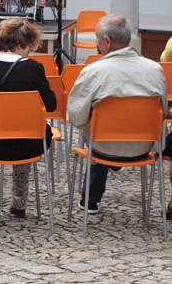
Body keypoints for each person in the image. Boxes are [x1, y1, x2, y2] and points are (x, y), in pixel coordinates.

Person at [68, 14, 168, 214]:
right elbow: (163, 111)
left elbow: (75, 115)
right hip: (144, 146)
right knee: (99, 125)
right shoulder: (155, 70)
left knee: (92, 126)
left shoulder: (93, 71)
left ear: (106, 42)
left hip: (103, 146)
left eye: (97, 39)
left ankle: (90, 198)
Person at [0, 18, 56, 220]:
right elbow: (51, 105)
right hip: (27, 144)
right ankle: (19, 204)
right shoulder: (33, 68)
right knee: (28, 129)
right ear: (23, 43)